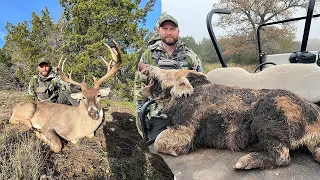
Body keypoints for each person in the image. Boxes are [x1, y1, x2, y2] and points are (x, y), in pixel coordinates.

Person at [134, 14, 204, 141]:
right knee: (157, 152)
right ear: (159, 31)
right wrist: (140, 114)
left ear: (178, 31)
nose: (169, 32)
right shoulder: (148, 55)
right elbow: (139, 87)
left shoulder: (190, 56)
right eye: (165, 29)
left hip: (186, 115)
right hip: (158, 115)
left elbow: (203, 86)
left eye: (172, 29)